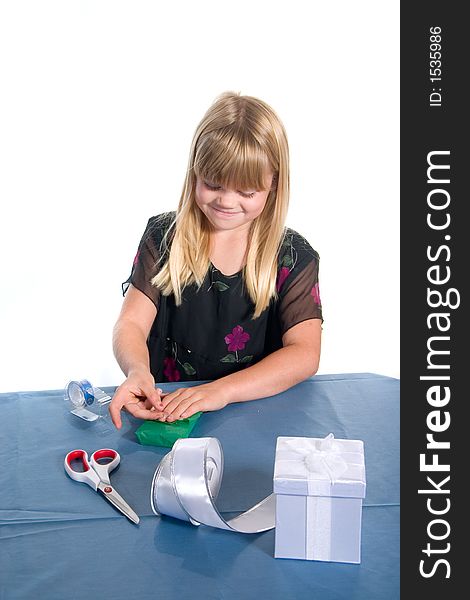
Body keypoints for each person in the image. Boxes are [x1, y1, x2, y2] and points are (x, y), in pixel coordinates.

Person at [110, 91, 323, 429]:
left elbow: (304, 354)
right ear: (194, 172)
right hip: (170, 411)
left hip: (256, 413)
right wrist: (137, 370)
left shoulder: (293, 258)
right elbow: (131, 323)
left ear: (273, 185)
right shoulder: (164, 237)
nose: (226, 201)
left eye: (246, 192)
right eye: (213, 184)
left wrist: (219, 392)